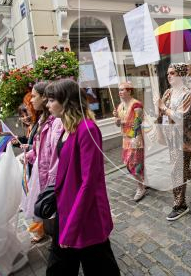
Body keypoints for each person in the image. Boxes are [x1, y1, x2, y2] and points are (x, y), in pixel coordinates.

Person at [44, 79, 120, 275]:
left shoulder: (87, 129)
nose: (47, 105)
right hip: (66, 209)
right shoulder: (66, 128)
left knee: (99, 267)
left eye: (51, 100)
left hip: (85, 215)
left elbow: (89, 182)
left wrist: (71, 227)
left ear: (66, 100)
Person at [155, 63, 191, 221]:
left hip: (185, 138)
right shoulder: (168, 92)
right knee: (182, 169)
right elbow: (162, 112)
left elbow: (180, 117)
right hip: (171, 137)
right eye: (168, 73)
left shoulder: (188, 95)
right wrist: (158, 107)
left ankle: (180, 205)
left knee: (177, 170)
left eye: (172, 73)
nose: (169, 75)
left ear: (180, 75)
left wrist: (163, 108)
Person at [23, 81, 64, 244]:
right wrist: (31, 152)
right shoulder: (42, 121)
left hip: (52, 177)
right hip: (43, 175)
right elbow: (43, 150)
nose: (31, 100)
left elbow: (56, 154)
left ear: (44, 97)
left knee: (56, 213)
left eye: (34, 96)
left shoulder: (56, 122)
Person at [113, 81, 147, 201]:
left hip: (135, 138)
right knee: (128, 163)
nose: (120, 92)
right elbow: (118, 125)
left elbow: (138, 122)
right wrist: (117, 120)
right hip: (125, 139)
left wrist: (121, 122)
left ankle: (141, 187)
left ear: (129, 91)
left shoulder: (136, 104)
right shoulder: (119, 106)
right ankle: (143, 182)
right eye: (119, 90)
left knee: (134, 164)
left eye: (122, 89)